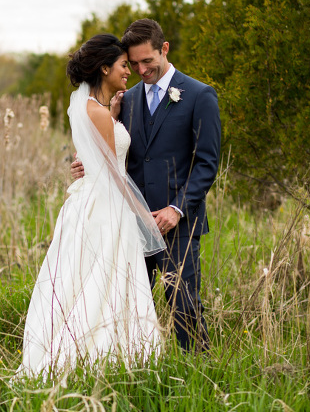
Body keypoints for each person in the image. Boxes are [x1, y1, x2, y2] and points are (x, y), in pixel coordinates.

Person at [17, 34, 166, 378]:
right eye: (122, 65)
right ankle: (102, 353)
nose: (128, 71)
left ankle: (100, 351)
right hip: (106, 207)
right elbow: (115, 175)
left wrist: (112, 115)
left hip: (90, 201)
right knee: (103, 281)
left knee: (91, 279)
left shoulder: (92, 109)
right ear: (104, 68)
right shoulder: (95, 112)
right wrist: (142, 215)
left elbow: (96, 152)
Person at [72, 19, 221, 352]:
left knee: (184, 307)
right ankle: (136, 372)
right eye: (134, 63)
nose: (140, 69)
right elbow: (117, 152)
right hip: (130, 223)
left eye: (147, 61)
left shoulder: (199, 95)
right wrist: (90, 163)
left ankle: (199, 374)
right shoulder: (129, 98)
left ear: (164, 49)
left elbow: (207, 163)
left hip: (178, 224)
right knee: (129, 306)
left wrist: (177, 209)